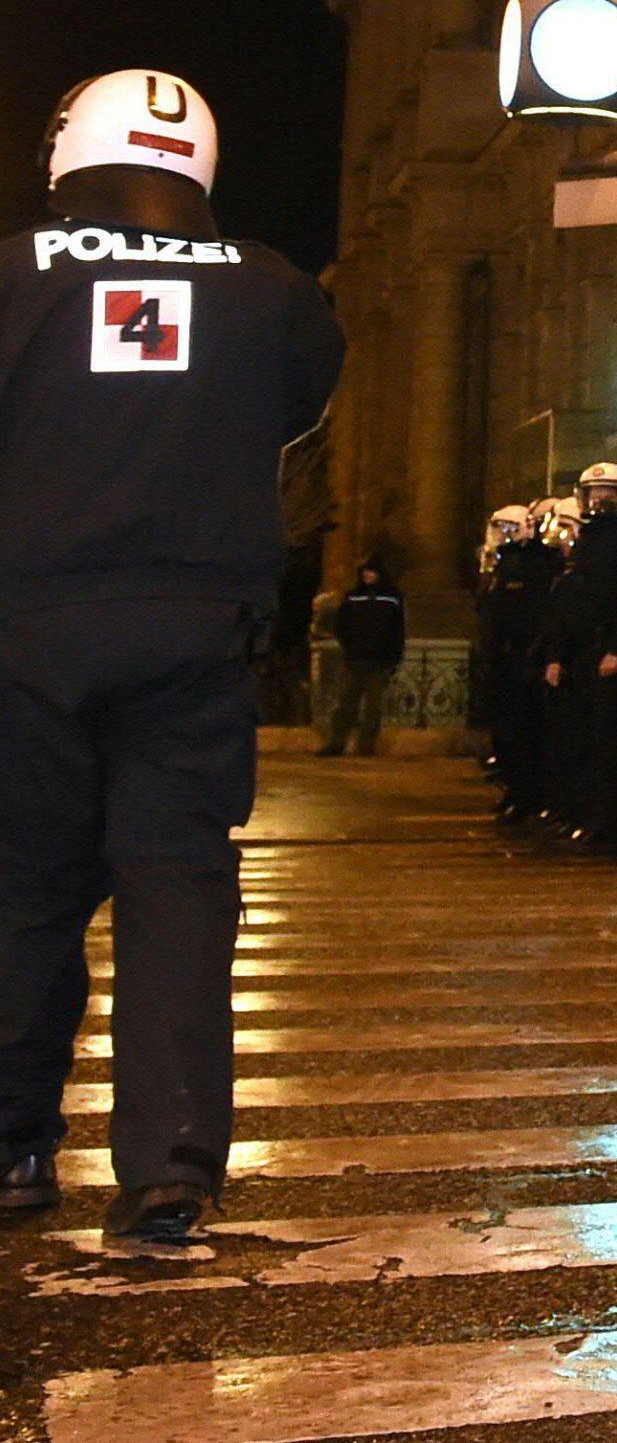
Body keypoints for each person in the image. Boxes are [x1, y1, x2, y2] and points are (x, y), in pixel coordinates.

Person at [0, 68, 343, 1256]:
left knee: (25, 889)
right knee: (178, 892)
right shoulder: (273, 289)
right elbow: (297, 407)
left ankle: (12, 1140)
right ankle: (168, 1171)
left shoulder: (11, 274)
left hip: (30, 631)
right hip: (196, 634)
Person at [537, 462, 617, 857]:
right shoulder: (585, 539)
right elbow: (571, 603)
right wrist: (558, 656)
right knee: (581, 739)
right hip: (582, 654)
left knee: (607, 743)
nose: (601, 500)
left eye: (609, 492)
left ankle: (609, 827)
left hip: (612, 656)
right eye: (594, 492)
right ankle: (585, 817)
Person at [476, 506, 560, 821]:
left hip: (522, 658)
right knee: (507, 731)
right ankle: (514, 789)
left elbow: (530, 614)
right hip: (502, 659)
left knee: (525, 732)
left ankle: (528, 795)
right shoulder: (500, 563)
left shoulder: (533, 563)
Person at [319, 552, 407, 756]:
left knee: (372, 708)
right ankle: (336, 743)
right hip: (355, 658)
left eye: (372, 572)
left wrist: (394, 654)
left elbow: (397, 629)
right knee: (345, 704)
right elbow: (342, 624)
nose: (368, 576)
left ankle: (365, 746)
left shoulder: (391, 598)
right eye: (366, 572)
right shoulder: (353, 597)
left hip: (380, 660)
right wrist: (349, 644)